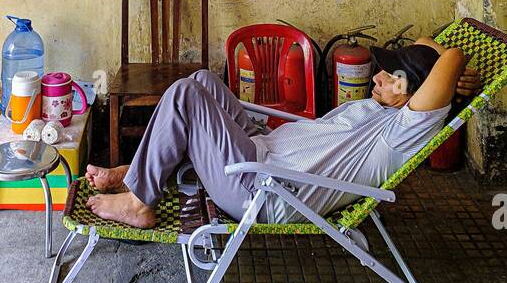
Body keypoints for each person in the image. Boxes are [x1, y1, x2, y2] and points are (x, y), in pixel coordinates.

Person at [85, 36, 480, 228]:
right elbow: (431, 51)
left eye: (389, 75)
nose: (376, 74)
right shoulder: (384, 105)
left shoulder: (402, 132)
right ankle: (138, 171)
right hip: (261, 149)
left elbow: (444, 65)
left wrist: (454, 64)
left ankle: (139, 201)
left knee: (185, 95)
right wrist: (445, 64)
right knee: (203, 80)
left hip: (263, 190)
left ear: (413, 93)